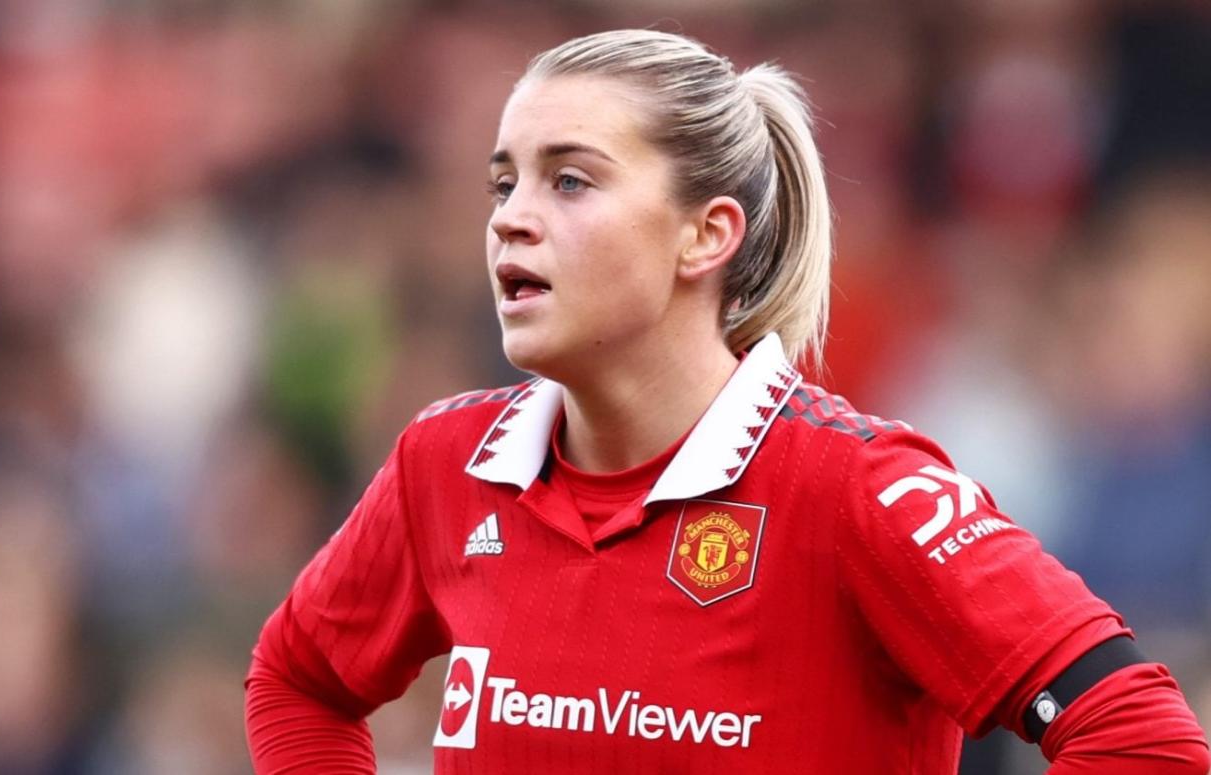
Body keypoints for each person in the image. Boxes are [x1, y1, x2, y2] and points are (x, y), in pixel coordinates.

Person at [244, 29, 1211, 773]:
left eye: (569, 179)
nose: (511, 217)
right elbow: (298, 682)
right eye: (504, 182)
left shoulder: (858, 489)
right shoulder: (444, 463)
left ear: (705, 237)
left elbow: (1141, 735)